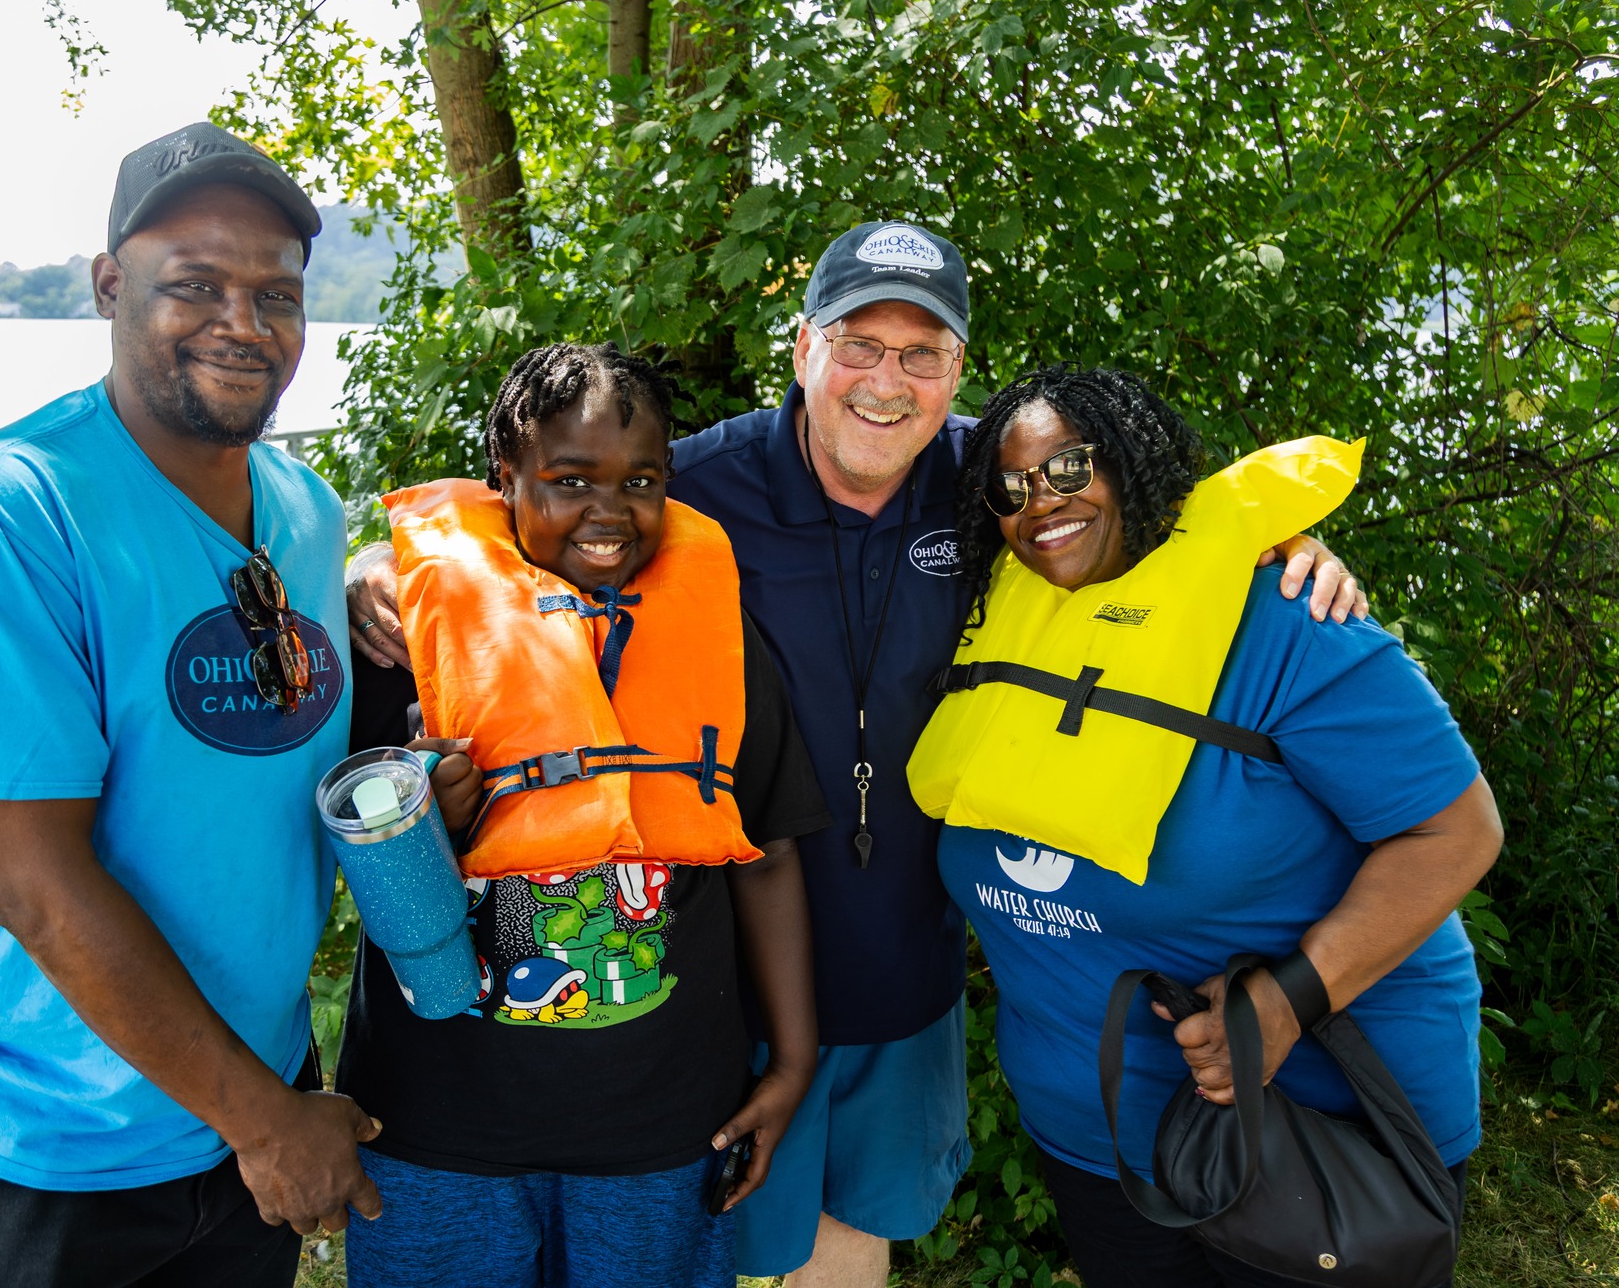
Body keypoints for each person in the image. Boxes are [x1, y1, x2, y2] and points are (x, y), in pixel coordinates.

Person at [348, 223, 1368, 1283]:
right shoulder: (692, 489)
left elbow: (1136, 522)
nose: (887, 380)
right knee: (716, 1242)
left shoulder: (996, 485)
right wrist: (380, 563)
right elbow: (529, 518)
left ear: (957, 369)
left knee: (853, 1247)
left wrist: (1266, 546)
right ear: (801, 349)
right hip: (722, 991)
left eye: (921, 352)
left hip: (903, 973)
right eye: (858, 344)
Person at [0, 123, 403, 1286]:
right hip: (45, 1127)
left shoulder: (303, 510)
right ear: (109, 287)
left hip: (242, 1082)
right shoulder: (7, 515)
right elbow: (31, 884)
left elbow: (270, 755)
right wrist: (264, 1122)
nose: (242, 324)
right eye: (193, 286)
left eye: (275, 293)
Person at [914, 365, 1502, 1287]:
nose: (1043, 502)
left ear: (1136, 461)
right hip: (1097, 1137)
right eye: (1013, 486)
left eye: (1071, 467)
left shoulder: (1285, 614)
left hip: (1311, 1131)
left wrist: (1284, 1003)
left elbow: (1456, 833)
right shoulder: (990, 619)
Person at [338, 342, 829, 1287]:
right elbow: (326, 852)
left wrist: (794, 1062)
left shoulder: (721, 639)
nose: (608, 511)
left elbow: (766, 852)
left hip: (659, 1132)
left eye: (640, 480)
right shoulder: (400, 638)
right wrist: (418, 822)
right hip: (437, 1129)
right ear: (504, 479)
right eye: (568, 479)